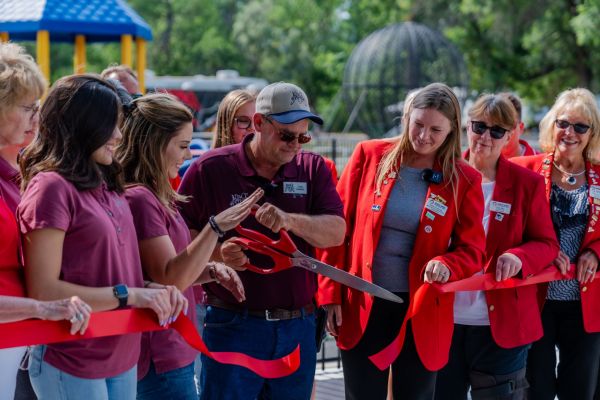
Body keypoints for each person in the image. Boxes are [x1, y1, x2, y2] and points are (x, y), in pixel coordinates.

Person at [18, 74, 183, 400]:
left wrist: (153, 291)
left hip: (121, 356)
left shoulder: (109, 184)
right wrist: (132, 296)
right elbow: (44, 290)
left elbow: (111, 274)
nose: (119, 136)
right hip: (73, 359)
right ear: (83, 125)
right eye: (111, 125)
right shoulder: (51, 187)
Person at [318, 83, 487, 400]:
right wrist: (331, 294)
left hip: (420, 310)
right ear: (407, 118)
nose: (424, 136)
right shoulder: (369, 156)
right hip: (363, 304)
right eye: (418, 124)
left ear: (452, 131)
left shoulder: (463, 178)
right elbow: (336, 229)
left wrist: (446, 263)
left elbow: (473, 251)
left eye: (435, 129)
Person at [178, 81, 345, 400]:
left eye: (303, 136)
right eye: (286, 135)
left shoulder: (312, 168)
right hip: (233, 325)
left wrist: (290, 220)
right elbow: (178, 239)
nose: (296, 144)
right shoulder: (209, 169)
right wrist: (218, 254)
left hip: (297, 325)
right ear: (258, 123)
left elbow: (336, 231)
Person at [116, 92, 262, 399]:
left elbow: (164, 275)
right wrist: (216, 227)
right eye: (182, 146)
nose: (187, 155)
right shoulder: (141, 199)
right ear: (155, 144)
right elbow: (170, 278)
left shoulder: (153, 196)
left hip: (172, 349)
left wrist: (210, 270)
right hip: (160, 354)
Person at [435, 94, 559, 400]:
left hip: (501, 324)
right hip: (443, 320)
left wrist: (518, 256)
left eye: (496, 131)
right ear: (466, 127)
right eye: (479, 126)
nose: (485, 137)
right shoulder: (442, 175)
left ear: (510, 136)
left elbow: (547, 244)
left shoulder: (525, 183)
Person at [0, 42, 94, 400]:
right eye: (26, 108)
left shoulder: (20, 176)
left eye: (38, 108)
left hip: (24, 341)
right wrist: (41, 307)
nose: (36, 119)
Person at [512, 88, 600, 400]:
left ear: (592, 133)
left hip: (585, 302)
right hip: (538, 299)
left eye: (581, 127)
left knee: (580, 389)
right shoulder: (525, 169)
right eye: (564, 123)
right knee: (537, 389)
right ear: (552, 125)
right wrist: (542, 252)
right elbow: (508, 229)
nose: (570, 133)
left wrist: (595, 252)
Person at [499, 93, 537, 158]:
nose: (503, 130)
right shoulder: (481, 162)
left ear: (521, 128)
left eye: (509, 124)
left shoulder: (540, 164)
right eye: (497, 126)